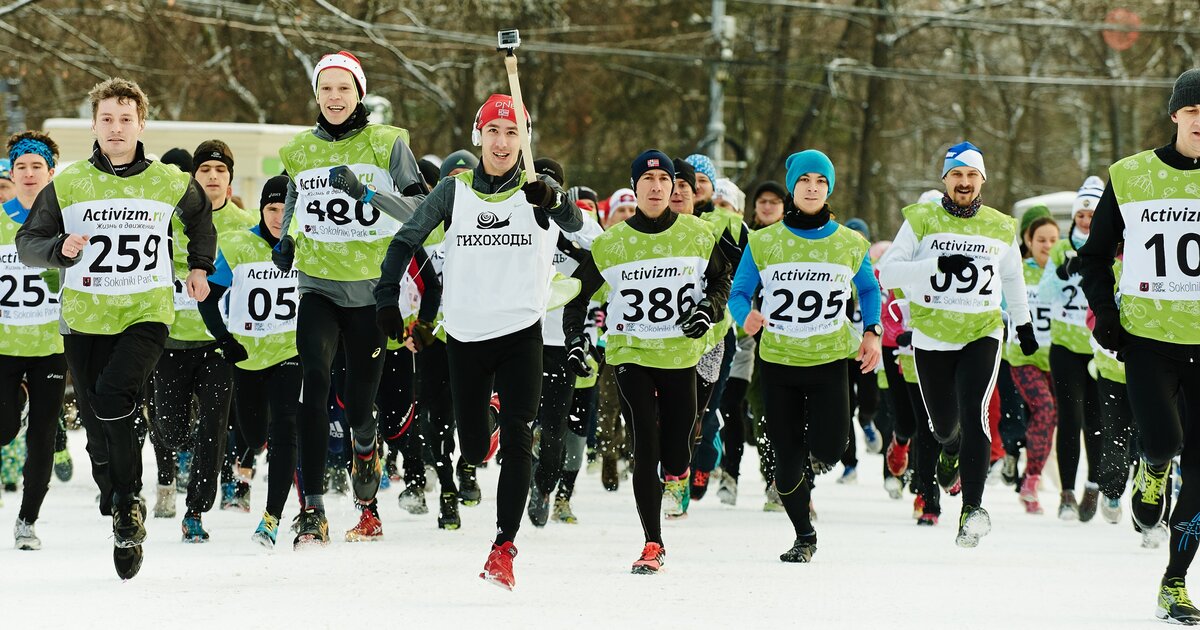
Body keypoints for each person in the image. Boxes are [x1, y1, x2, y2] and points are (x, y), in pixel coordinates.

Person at [375, 92, 582, 590]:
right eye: (494, 131)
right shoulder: (455, 189)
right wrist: (385, 292)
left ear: (524, 140)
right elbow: (407, 236)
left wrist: (554, 200)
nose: (503, 141)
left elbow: (576, 225)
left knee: (517, 439)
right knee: (472, 449)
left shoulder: (540, 192)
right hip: (464, 335)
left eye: (513, 133)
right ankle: (484, 416)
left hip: (519, 332)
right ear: (479, 135)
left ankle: (503, 547)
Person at [16, 77, 215, 579]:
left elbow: (201, 219)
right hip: (84, 320)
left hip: (146, 312)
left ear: (141, 124)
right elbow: (28, 242)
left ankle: (128, 512)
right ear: (94, 125)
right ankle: (115, 486)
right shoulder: (69, 182)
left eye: (126, 119)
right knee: (100, 434)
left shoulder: (170, 180)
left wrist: (198, 265)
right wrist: (58, 249)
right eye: (107, 118)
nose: (117, 127)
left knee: (112, 398)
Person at [273, 51, 428, 546]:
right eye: (326, 89)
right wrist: (288, 239)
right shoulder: (298, 149)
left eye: (344, 88)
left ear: (359, 93)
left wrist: (365, 195)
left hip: (371, 293)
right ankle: (312, 509)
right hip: (316, 284)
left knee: (361, 406)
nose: (334, 98)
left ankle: (366, 451)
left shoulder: (388, 143)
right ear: (316, 95)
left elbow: (422, 209)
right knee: (314, 385)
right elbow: (298, 197)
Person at [564, 149, 729, 574]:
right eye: (647, 181)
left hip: (679, 355)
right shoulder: (612, 242)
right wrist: (574, 341)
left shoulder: (697, 233)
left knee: (675, 454)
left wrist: (707, 310)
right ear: (635, 187)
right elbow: (576, 292)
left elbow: (720, 282)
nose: (656, 188)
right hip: (631, 353)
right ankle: (652, 542)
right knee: (645, 445)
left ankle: (678, 470)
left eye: (664, 181)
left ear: (674, 186)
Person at [1077, 68, 1200, 625]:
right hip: (1149, 340)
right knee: (1165, 440)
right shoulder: (1130, 176)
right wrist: (1105, 314)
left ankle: (1173, 583)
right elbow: (1095, 256)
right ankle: (1152, 466)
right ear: (1175, 114)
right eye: (1194, 111)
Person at [877, 141, 1036, 548]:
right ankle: (949, 450)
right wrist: (933, 267)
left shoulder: (1001, 225)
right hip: (932, 336)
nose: (964, 183)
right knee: (946, 425)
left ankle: (972, 509)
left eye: (971, 175)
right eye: (957, 175)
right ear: (945, 179)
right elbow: (888, 271)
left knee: (976, 412)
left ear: (982, 179)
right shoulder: (921, 219)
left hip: (982, 332)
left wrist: (1023, 323)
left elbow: (1013, 279)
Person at [728, 149, 882, 562]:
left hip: (830, 360)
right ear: (792, 187)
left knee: (831, 447)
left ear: (828, 188)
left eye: (820, 181)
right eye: (804, 181)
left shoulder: (850, 242)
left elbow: (868, 289)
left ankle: (814, 466)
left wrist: (872, 331)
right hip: (778, 363)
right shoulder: (764, 241)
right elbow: (739, 292)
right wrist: (746, 317)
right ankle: (804, 536)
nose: (812, 188)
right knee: (785, 460)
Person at [151, 140, 256, 540]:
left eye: (220, 171)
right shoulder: (171, 220)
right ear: (193, 178)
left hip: (218, 345)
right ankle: (187, 450)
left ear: (229, 179)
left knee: (214, 426)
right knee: (172, 430)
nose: (212, 177)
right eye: (205, 170)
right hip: (171, 341)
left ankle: (195, 511)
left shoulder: (246, 225)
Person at [196, 175, 300, 547]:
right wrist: (224, 340)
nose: (279, 218)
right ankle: (254, 447)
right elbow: (207, 298)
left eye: (287, 209)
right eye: (272, 209)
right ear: (262, 210)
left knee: (286, 427)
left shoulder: (308, 246)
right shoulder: (238, 245)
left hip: (291, 354)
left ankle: (271, 517)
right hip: (247, 358)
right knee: (255, 436)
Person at [0, 131, 65, 550]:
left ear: (50, 172)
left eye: (35, 166)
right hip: (5, 345)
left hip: (51, 346)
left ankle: (28, 520)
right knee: (5, 431)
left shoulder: (67, 218)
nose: (27, 173)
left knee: (43, 435)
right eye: (20, 167)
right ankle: (15, 406)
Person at [1039, 176, 1105, 521]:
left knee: (1095, 420)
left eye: (1092, 215)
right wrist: (1063, 273)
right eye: (1081, 215)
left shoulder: (1111, 245)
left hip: (1097, 347)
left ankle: (1092, 488)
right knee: (1070, 418)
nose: (1085, 221)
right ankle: (1066, 492)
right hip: (1065, 345)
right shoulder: (1063, 248)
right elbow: (1046, 294)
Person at [1007, 215, 1058, 514]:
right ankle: (1032, 480)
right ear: (1028, 241)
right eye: (1041, 240)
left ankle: (1031, 476)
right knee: (1045, 408)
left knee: (1050, 419)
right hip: (1024, 357)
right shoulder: (1018, 273)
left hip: (1058, 358)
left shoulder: (1065, 271)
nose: (1048, 246)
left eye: (1053, 240)